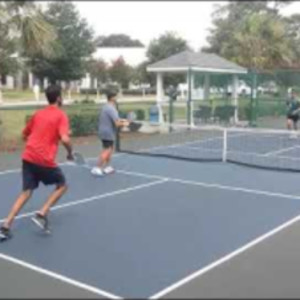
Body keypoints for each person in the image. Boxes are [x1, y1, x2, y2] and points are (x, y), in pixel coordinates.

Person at [0, 84, 73, 242]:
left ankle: (5, 226)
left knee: (26, 192)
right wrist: (70, 153)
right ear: (59, 98)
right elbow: (65, 138)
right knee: (62, 185)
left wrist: (37, 140)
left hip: (28, 157)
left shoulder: (38, 114)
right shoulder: (61, 115)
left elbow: (24, 134)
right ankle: (42, 212)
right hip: (44, 160)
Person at [91, 91, 129, 176]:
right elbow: (117, 123)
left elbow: (117, 120)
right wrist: (125, 124)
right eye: (116, 96)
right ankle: (97, 168)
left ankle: (107, 167)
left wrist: (124, 121)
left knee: (110, 149)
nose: (117, 98)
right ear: (112, 98)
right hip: (107, 132)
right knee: (107, 150)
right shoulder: (111, 108)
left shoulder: (106, 106)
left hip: (106, 131)